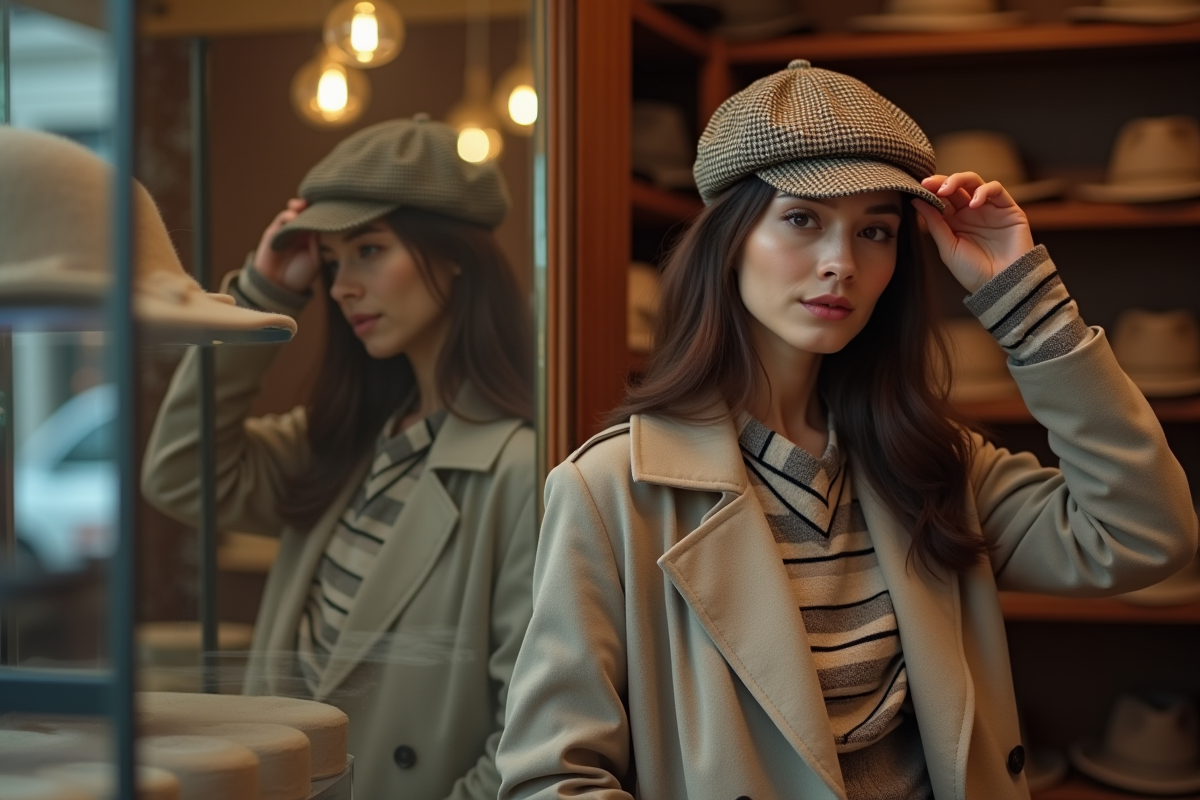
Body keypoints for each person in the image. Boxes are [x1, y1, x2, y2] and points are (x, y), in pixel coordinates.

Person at [495, 61, 1198, 799]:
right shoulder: (613, 491)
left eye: (875, 231)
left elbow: (1143, 534)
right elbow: (554, 779)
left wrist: (1021, 296)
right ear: (732, 239)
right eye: (802, 219)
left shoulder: (934, 465)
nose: (841, 264)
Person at [143, 116, 537, 800]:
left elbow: (528, 726)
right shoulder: (347, 441)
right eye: (330, 264)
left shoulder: (517, 469)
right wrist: (262, 295)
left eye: (369, 251)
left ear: (454, 256)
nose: (342, 286)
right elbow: (178, 472)